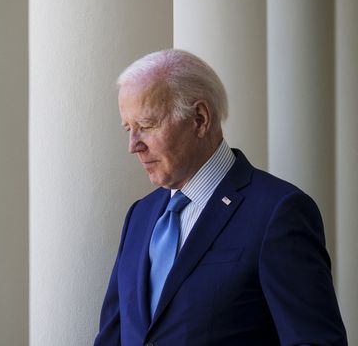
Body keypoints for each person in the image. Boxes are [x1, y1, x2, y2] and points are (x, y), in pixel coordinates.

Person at [93, 49, 347, 345]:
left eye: (146, 126)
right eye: (129, 128)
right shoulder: (140, 215)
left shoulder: (278, 212)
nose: (133, 145)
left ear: (200, 119)